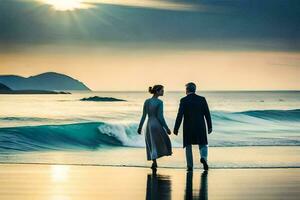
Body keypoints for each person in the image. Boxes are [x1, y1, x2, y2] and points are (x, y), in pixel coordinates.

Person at [173, 82, 212, 171]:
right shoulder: (202, 99)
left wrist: (176, 128)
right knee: (203, 143)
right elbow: (207, 114)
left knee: (188, 145)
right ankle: (204, 158)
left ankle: (190, 166)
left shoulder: (183, 100)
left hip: (188, 127)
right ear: (195, 90)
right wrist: (209, 126)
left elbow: (180, 115)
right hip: (200, 125)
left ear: (187, 90)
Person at [138, 85, 172, 169]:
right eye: (162, 90)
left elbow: (143, 116)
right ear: (157, 91)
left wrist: (140, 127)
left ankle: (154, 162)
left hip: (149, 124)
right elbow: (160, 117)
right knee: (164, 140)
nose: (163, 92)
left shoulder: (147, 101)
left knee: (151, 143)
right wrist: (166, 128)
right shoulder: (159, 102)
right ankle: (160, 156)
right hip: (156, 124)